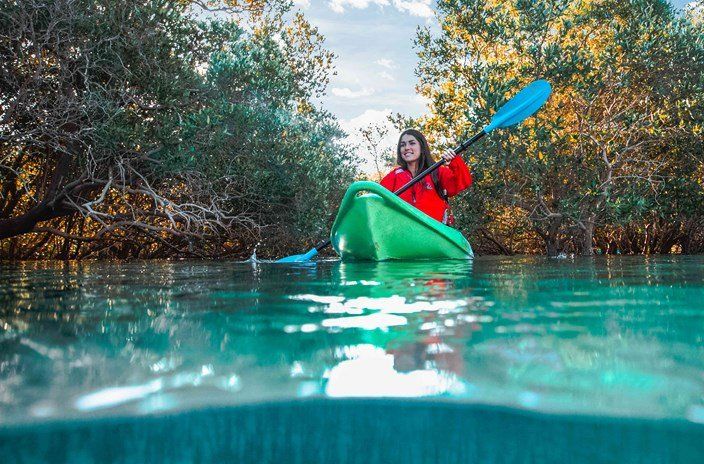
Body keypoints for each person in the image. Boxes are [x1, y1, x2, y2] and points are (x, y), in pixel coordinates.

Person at [380, 129, 472, 225]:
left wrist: (454, 161)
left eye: (412, 143)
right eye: (402, 145)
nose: (406, 147)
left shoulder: (437, 171)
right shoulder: (394, 175)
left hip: (433, 232)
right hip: (404, 232)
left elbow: (463, 182)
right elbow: (377, 198)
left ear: (422, 147)